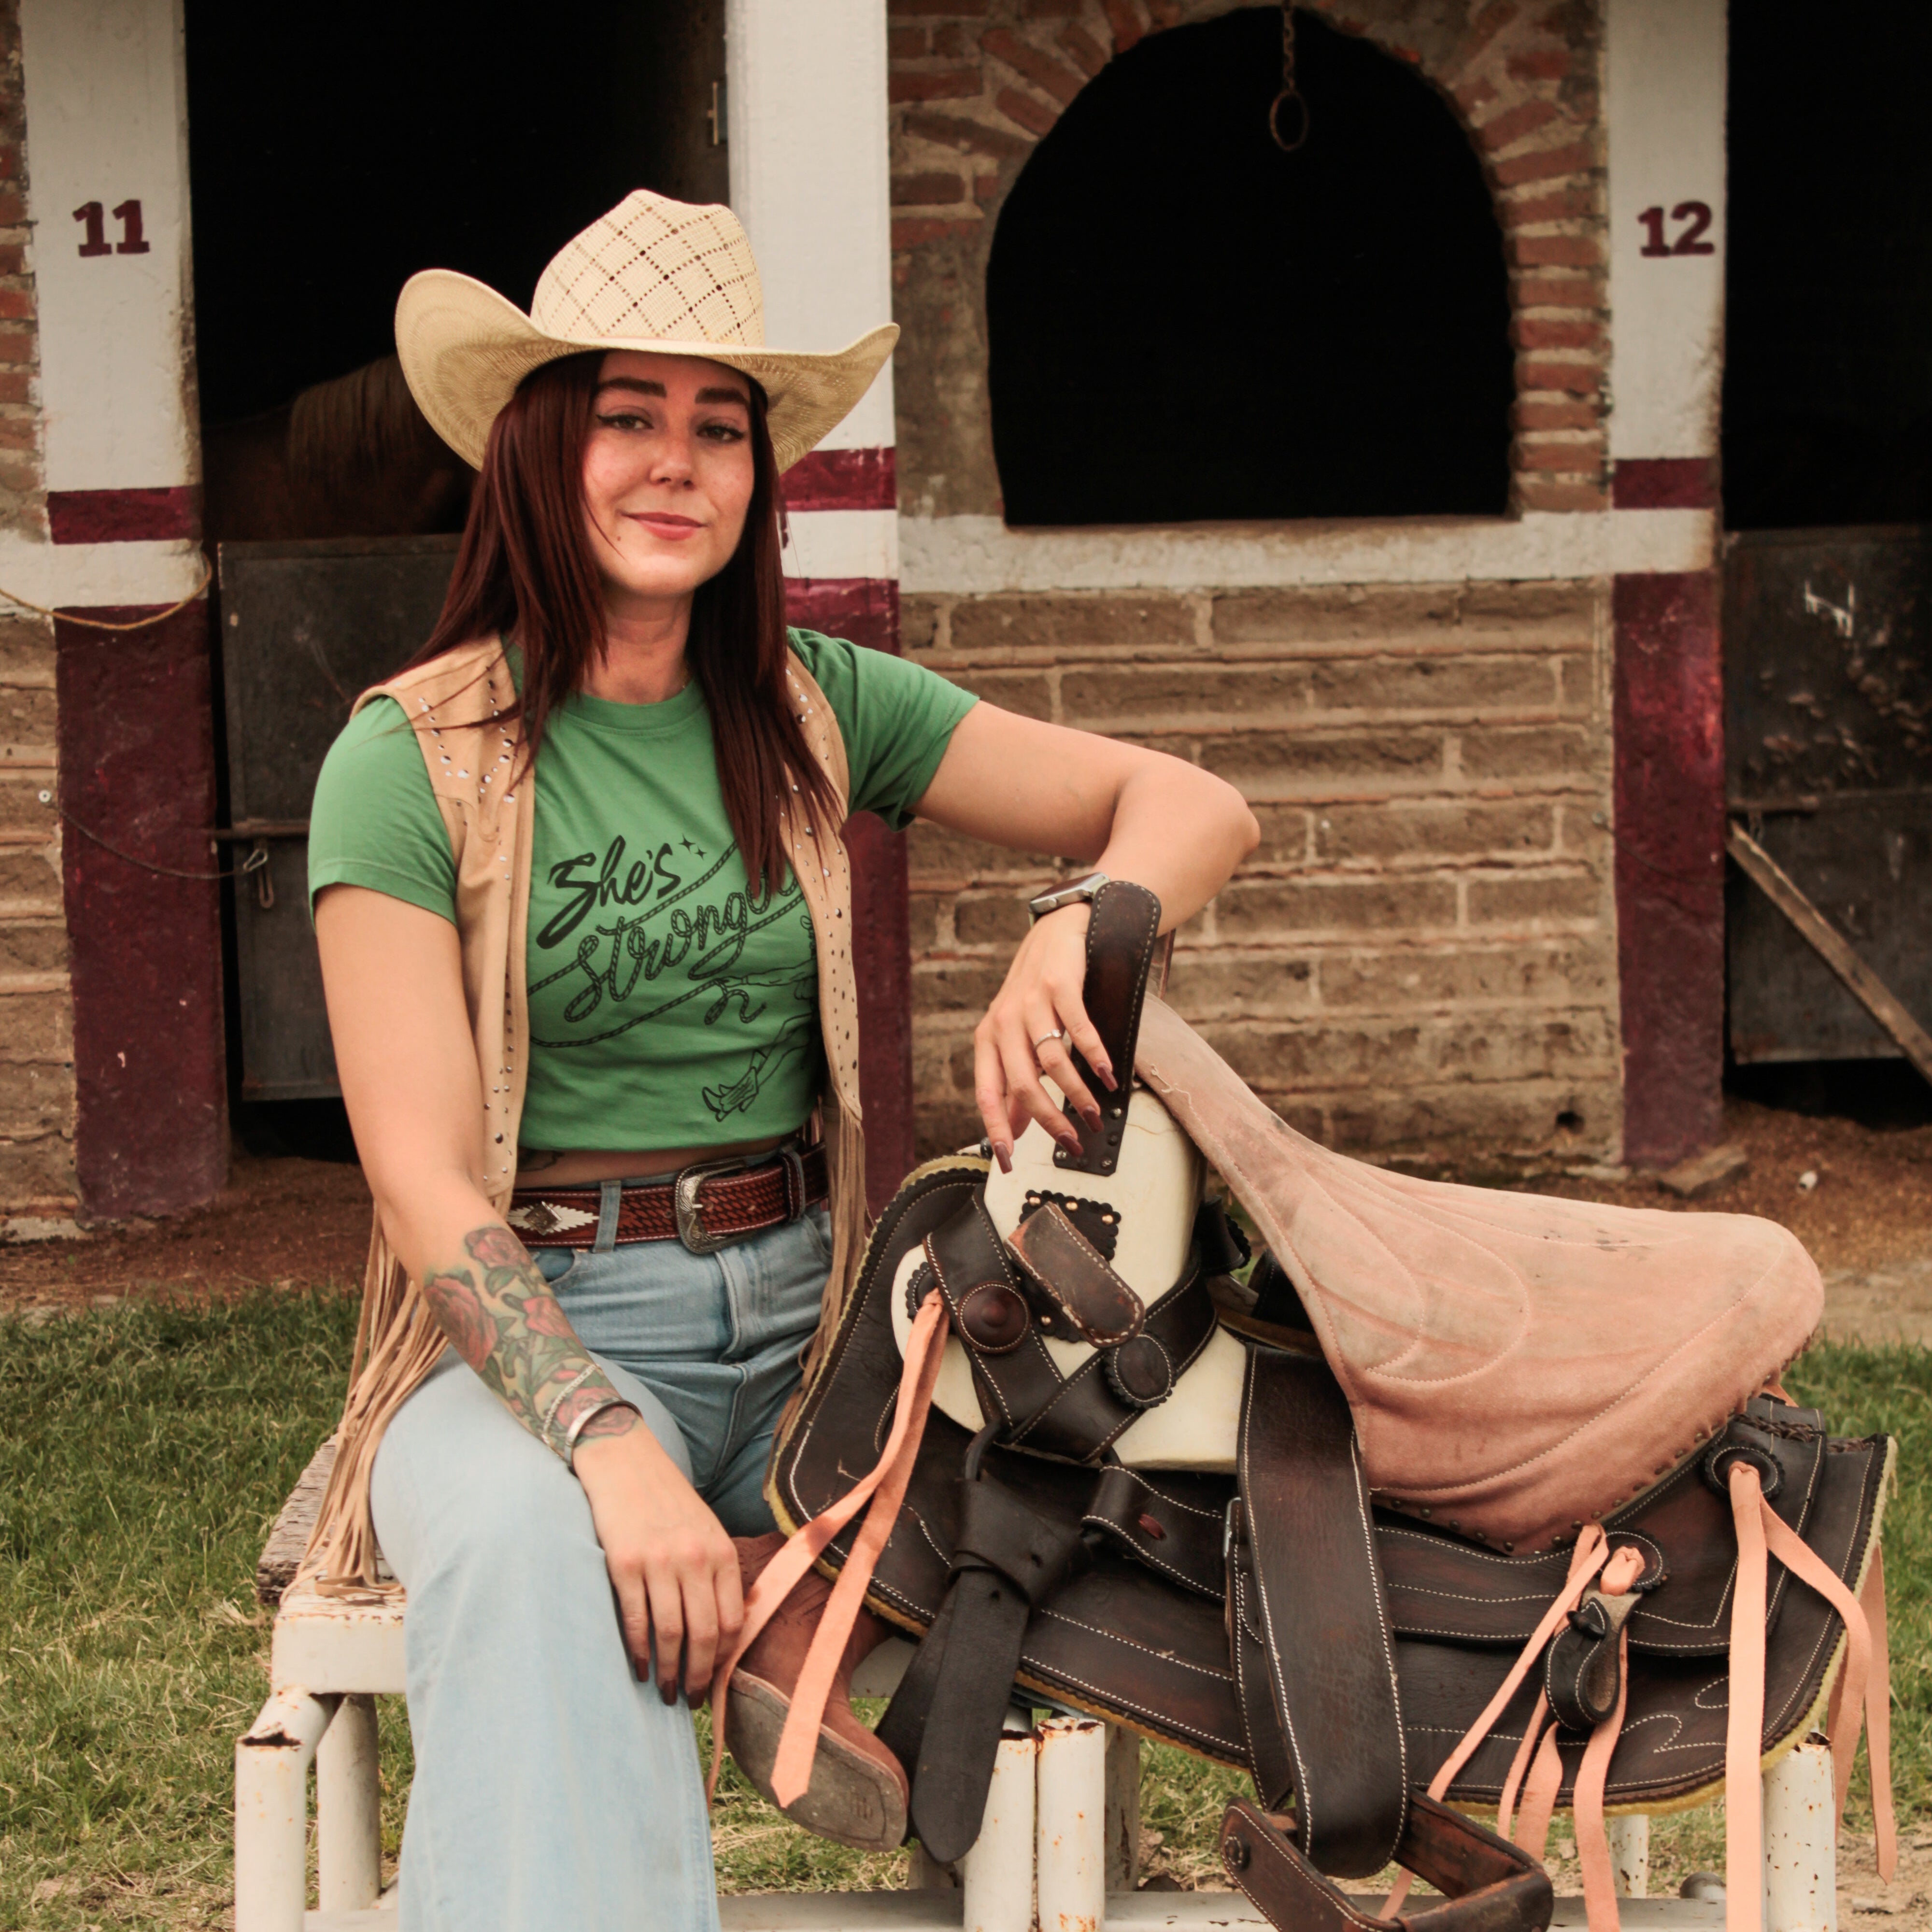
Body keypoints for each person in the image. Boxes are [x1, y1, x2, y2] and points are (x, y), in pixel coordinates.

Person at [304, 190, 1258, 1932]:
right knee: (545, 1554)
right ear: (536, 448)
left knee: (1145, 1479)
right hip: (543, 1333)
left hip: (826, 1336)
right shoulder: (407, 760)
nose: (676, 463)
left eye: (718, 426)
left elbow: (1196, 805)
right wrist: (601, 1441)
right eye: (626, 417)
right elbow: (421, 1179)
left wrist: (1079, 926)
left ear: (758, 476)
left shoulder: (817, 707)